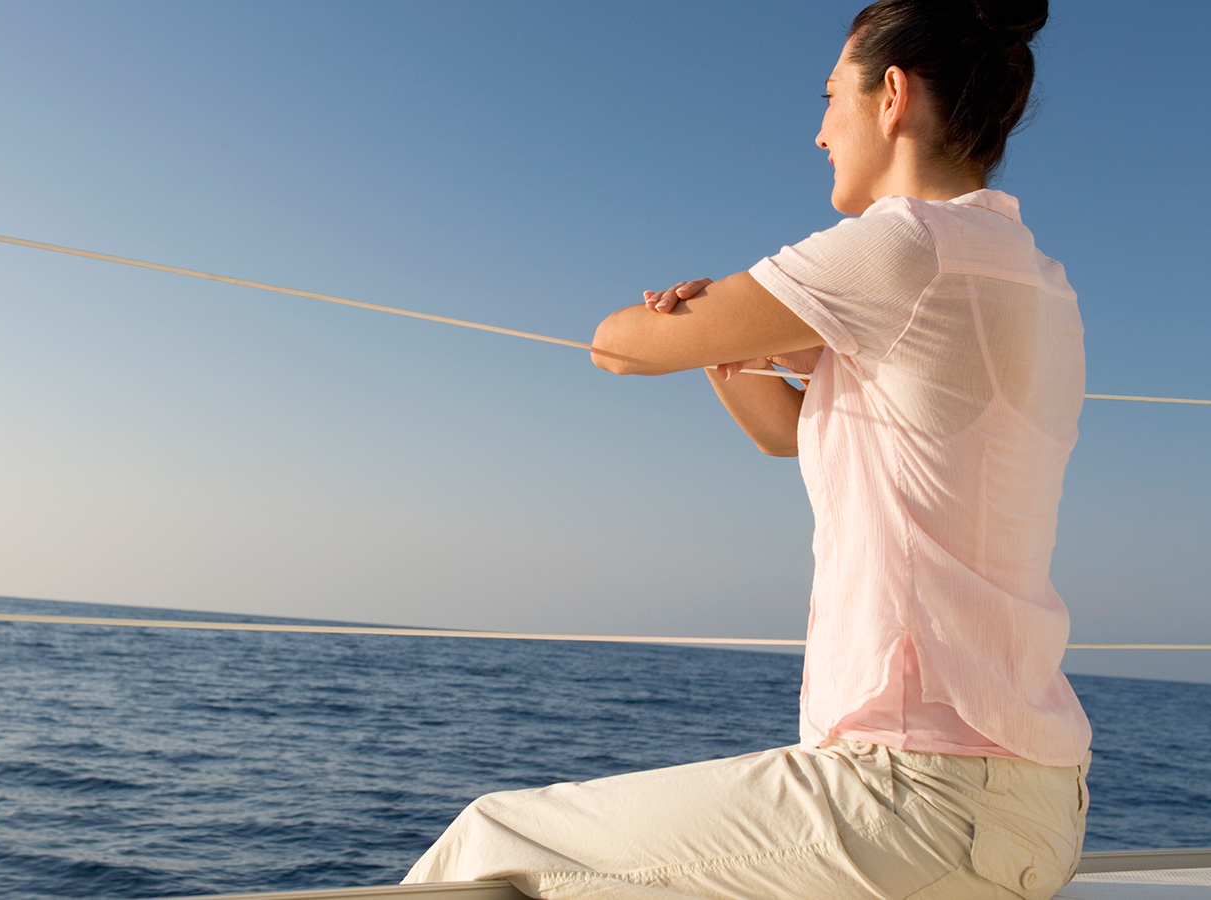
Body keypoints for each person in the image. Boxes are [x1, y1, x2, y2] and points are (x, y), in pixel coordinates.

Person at [401, 1, 1091, 898]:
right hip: (1034, 807)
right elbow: (786, 433)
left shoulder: (906, 247)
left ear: (891, 97)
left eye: (829, 96)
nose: (817, 133)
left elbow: (616, 346)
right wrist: (728, 345)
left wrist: (685, 325)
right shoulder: (1031, 276)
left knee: (494, 836)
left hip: (911, 797)